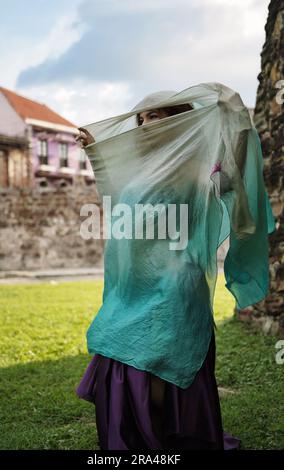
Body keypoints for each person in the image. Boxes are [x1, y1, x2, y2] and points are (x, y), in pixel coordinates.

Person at [74, 96, 246, 450]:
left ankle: (167, 438)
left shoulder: (194, 164)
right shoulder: (144, 166)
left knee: (157, 364)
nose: (144, 124)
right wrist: (97, 154)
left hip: (173, 282)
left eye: (154, 116)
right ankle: (139, 438)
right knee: (122, 350)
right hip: (134, 283)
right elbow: (117, 198)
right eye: (141, 119)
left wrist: (227, 128)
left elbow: (228, 185)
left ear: (177, 123)